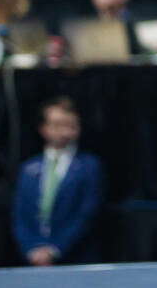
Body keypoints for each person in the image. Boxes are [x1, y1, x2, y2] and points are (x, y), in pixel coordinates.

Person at [12, 97, 103, 266]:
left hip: (75, 259)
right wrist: (31, 249)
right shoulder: (29, 168)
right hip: (32, 259)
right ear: (44, 128)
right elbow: (20, 216)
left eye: (71, 125)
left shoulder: (89, 166)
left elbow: (86, 215)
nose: (65, 132)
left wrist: (55, 250)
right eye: (58, 124)